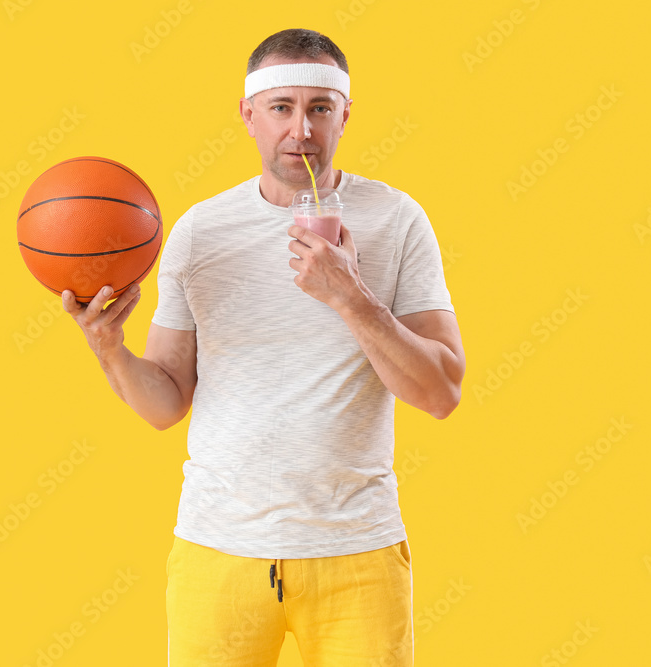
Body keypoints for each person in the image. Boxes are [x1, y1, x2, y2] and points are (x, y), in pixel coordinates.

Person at [62, 28, 465, 667]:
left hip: (356, 553)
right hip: (218, 549)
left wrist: (351, 296)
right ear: (249, 116)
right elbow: (166, 402)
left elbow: (440, 392)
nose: (299, 130)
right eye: (281, 108)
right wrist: (109, 346)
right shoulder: (199, 233)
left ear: (345, 116)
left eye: (319, 109)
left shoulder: (396, 219)